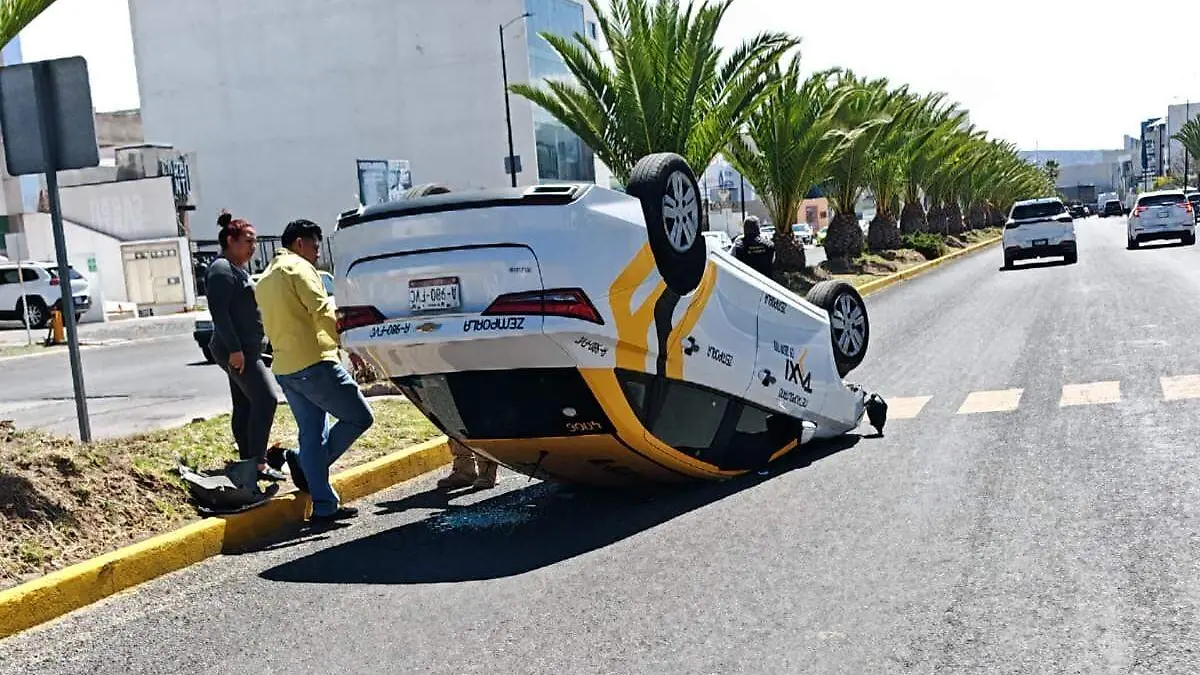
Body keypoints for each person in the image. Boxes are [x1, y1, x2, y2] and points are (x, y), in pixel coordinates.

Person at [254, 218, 374, 525]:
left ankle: (324, 505)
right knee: (360, 417)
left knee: (312, 435)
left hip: (285, 368)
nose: (318, 253)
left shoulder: (265, 278)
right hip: (314, 362)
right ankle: (305, 465)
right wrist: (349, 346)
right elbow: (322, 311)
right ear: (299, 243)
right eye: (315, 246)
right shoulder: (299, 268)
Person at [206, 212, 286, 482]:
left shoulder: (236, 269)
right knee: (266, 399)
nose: (253, 247)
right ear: (231, 240)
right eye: (248, 241)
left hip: (247, 348)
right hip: (237, 350)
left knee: (245, 404)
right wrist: (235, 350)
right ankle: (259, 463)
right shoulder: (221, 269)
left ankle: (247, 462)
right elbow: (220, 313)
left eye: (255, 241)